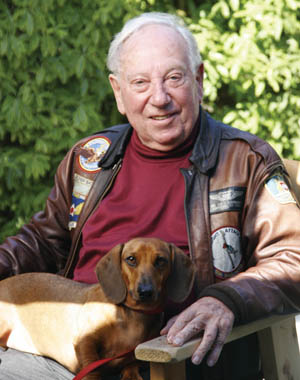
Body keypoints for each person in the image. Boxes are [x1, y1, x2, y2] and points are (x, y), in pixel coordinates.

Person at [1, 11, 300, 380]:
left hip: (177, 358)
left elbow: (292, 259)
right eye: (140, 82)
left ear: (199, 80)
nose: (159, 98)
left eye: (173, 78)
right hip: (70, 355)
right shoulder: (91, 159)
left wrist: (227, 299)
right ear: (118, 92)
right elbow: (41, 241)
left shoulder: (245, 160)